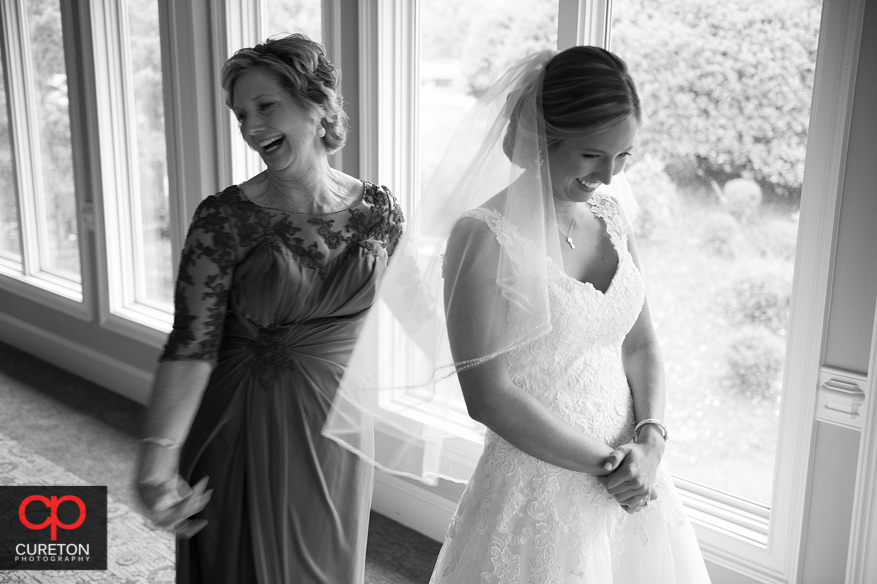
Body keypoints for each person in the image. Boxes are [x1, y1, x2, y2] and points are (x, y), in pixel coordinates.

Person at [424, 46, 712, 582]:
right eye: (591, 155)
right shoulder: (482, 235)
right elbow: (487, 395)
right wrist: (609, 466)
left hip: (633, 477)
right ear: (541, 136)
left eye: (623, 156)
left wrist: (650, 440)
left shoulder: (613, 217)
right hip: (538, 485)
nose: (607, 173)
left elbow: (640, 343)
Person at [134, 34, 404, 584]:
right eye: (240, 114)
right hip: (242, 422)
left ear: (318, 103)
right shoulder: (224, 219)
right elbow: (192, 343)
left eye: (265, 106)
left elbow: (415, 304)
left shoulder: (378, 210)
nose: (252, 127)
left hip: (339, 431)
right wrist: (157, 457)